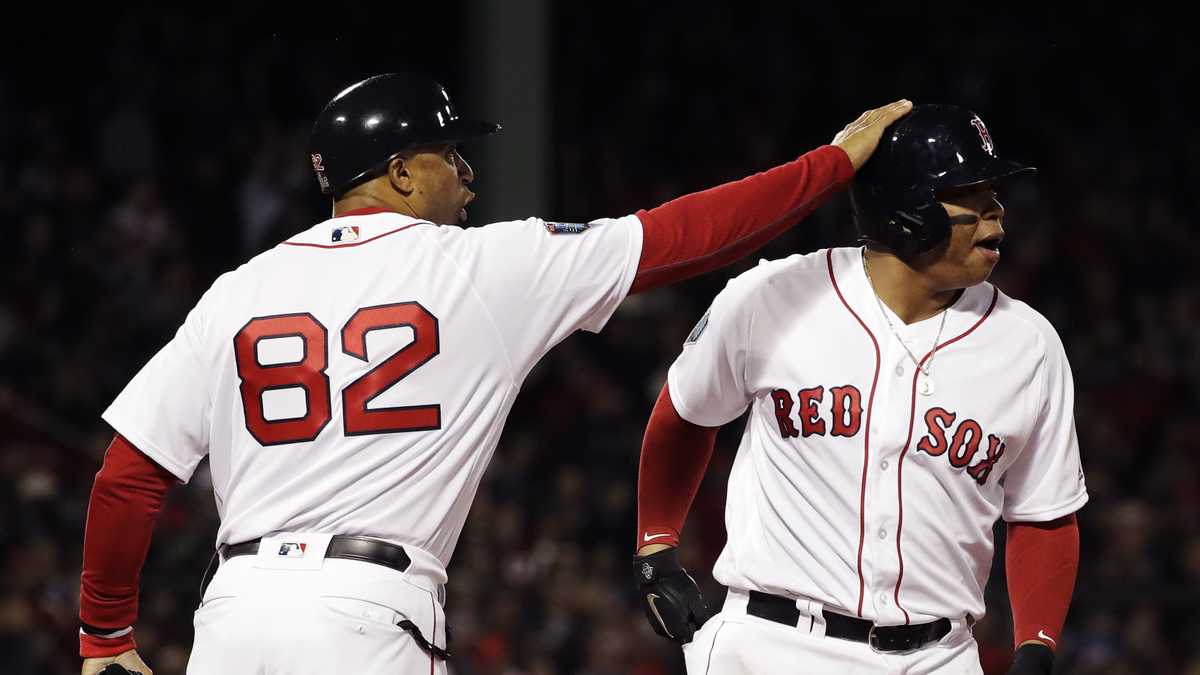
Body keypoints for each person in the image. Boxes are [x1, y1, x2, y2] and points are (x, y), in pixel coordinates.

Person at [77, 71, 911, 674]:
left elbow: (128, 475)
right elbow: (690, 235)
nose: (468, 173)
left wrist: (106, 636)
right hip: (366, 619)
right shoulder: (479, 267)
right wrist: (833, 164)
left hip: (232, 617)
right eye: (449, 153)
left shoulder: (239, 288)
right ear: (400, 173)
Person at [632, 104, 1085, 675]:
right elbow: (686, 413)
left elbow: (1044, 512)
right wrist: (656, 547)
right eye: (971, 193)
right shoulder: (773, 295)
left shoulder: (1029, 344)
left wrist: (1036, 646)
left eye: (995, 192)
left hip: (939, 657)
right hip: (771, 645)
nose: (996, 212)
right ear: (906, 210)